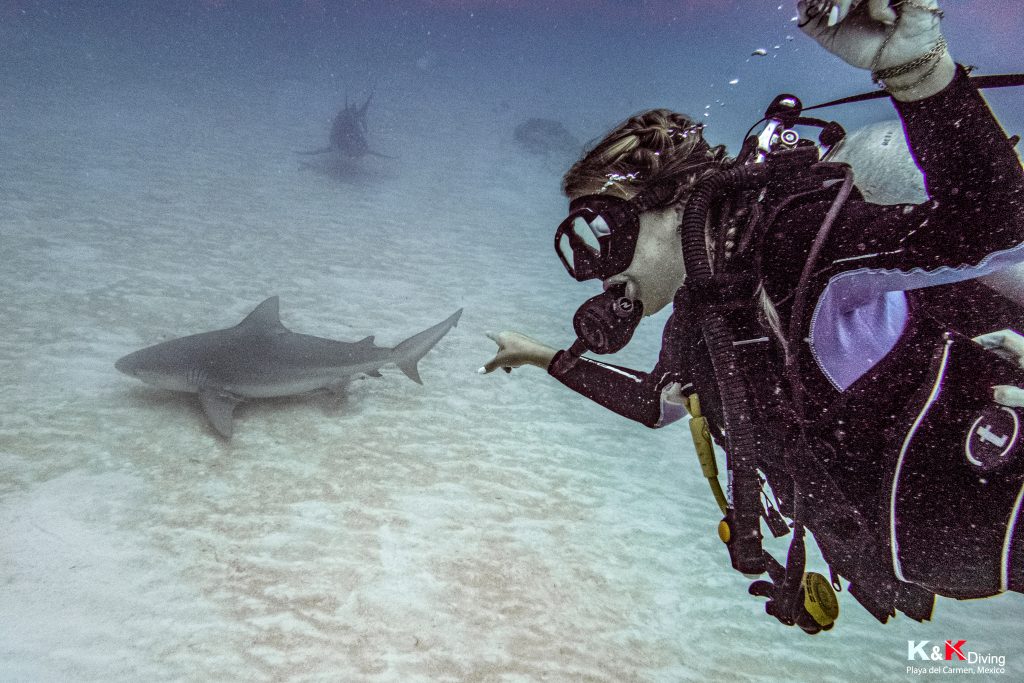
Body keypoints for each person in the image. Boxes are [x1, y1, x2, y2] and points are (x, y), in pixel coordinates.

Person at [481, 0, 1024, 632]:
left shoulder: (793, 240)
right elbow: (659, 404)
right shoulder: (702, 316)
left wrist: (917, 73)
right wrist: (542, 356)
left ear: (672, 200)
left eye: (599, 233)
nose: (600, 273)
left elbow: (994, 227)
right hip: (955, 545)